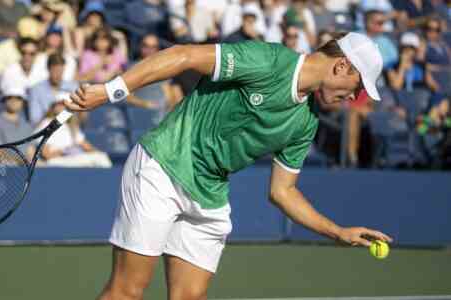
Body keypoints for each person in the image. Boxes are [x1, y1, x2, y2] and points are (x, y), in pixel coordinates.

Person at [65, 32, 393, 299]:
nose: (355, 98)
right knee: (127, 292)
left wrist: (337, 232)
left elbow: (283, 191)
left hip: (210, 192)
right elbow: (185, 55)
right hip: (163, 165)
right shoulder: (270, 61)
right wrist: (111, 91)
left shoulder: (306, 122)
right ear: (342, 67)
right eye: (359, 88)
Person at [37, 98, 112, 168]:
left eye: (66, 105)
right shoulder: (46, 123)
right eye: (60, 104)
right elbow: (46, 154)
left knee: (102, 157)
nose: (63, 108)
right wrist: (64, 151)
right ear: (54, 107)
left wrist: (98, 153)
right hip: (56, 160)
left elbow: (86, 146)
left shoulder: (72, 127)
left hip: (75, 158)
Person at [28, 53, 79, 125]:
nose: (58, 75)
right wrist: (51, 111)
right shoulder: (36, 90)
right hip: (46, 130)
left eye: (61, 71)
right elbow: (34, 121)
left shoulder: (73, 87)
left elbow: (81, 118)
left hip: (70, 129)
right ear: (48, 69)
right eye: (55, 71)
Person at [0, 86, 34, 159]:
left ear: (23, 102)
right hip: (5, 168)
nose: (14, 101)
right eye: (9, 97)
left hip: (26, 167)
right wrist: (21, 162)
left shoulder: (26, 124)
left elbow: (31, 151)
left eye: (18, 98)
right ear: (4, 100)